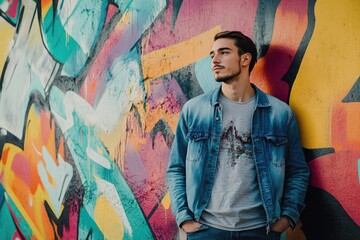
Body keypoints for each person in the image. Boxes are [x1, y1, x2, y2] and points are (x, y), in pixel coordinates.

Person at [166, 31, 310, 240]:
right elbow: (176, 168)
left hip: (261, 230)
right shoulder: (194, 111)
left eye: (224, 52)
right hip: (206, 230)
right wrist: (184, 218)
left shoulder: (280, 114)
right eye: (212, 54)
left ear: (245, 59)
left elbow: (298, 171)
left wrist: (287, 217)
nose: (214, 60)